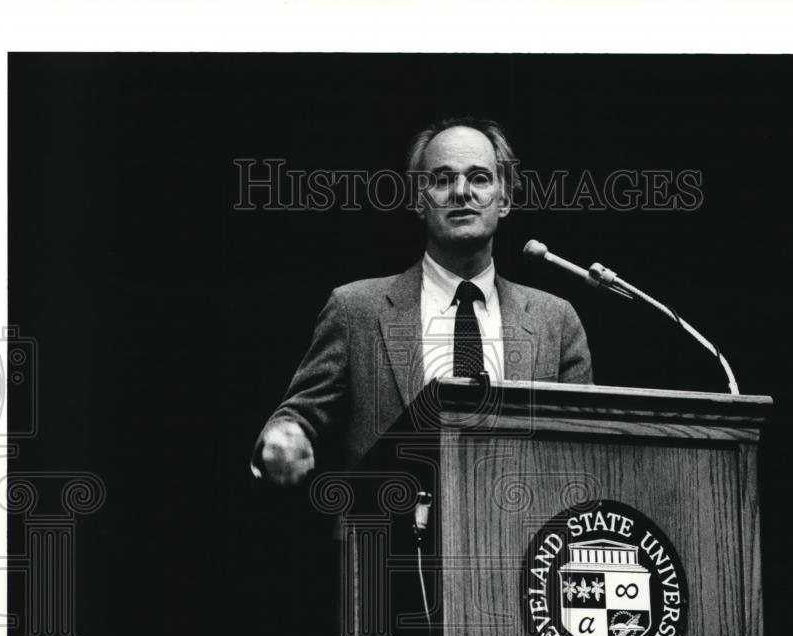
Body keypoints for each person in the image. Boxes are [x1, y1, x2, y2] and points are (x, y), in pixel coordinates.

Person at [251, 116, 593, 485]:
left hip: (520, 537)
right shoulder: (355, 310)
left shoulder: (555, 320)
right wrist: (283, 436)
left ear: (505, 199)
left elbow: (591, 446)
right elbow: (299, 415)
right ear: (419, 201)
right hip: (392, 536)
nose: (461, 191)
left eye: (479, 177)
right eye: (442, 180)